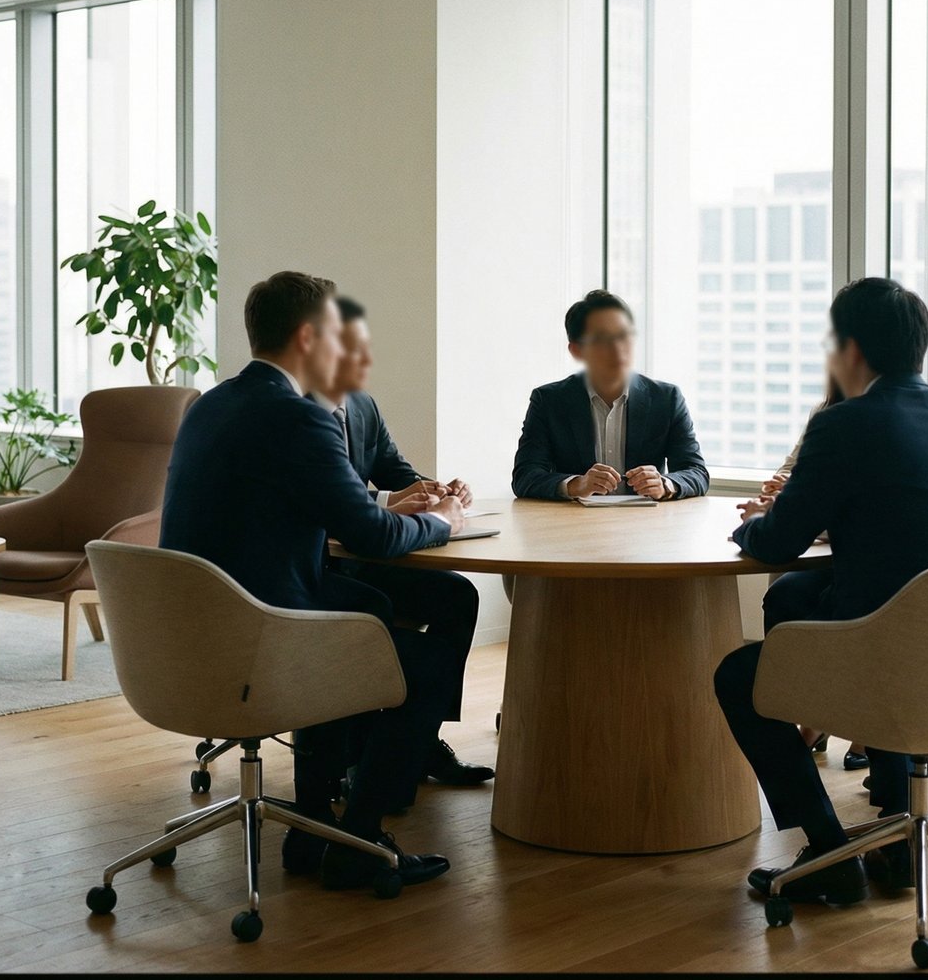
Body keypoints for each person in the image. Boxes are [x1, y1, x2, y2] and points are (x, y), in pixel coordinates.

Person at [160, 270, 465, 894]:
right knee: (423, 661)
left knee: (370, 608)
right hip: (262, 636)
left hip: (190, 634)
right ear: (306, 337)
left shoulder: (212, 404)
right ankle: (359, 836)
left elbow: (323, 515)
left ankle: (311, 824)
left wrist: (386, 509)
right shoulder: (299, 416)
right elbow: (375, 537)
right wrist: (440, 519)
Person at [713, 277, 928, 905]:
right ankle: (896, 842)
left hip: (889, 661)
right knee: (833, 612)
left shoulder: (845, 424)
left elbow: (777, 543)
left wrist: (750, 525)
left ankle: (831, 852)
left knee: (739, 675)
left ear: (851, 350)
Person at [313, 295, 494, 788]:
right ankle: (368, 764)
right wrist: (390, 500)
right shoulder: (300, 412)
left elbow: (399, 473)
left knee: (458, 594)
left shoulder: (363, 405)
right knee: (380, 610)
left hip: (366, 555)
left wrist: (440, 490)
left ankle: (421, 741)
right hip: (326, 564)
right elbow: (337, 499)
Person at [755, 373, 869, 773]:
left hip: (873, 566)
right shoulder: (825, 413)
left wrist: (784, 507)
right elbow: (795, 468)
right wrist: (784, 485)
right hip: (841, 552)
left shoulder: (866, 420)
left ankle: (856, 726)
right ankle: (813, 716)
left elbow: (850, 503)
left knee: (736, 675)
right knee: (785, 592)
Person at [511, 289, 709, 501]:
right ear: (576, 350)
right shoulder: (549, 400)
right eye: (602, 339)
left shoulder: (666, 398)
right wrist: (577, 484)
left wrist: (665, 485)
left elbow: (696, 472)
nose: (618, 348)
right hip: (575, 527)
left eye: (624, 335)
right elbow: (525, 477)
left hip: (646, 528)